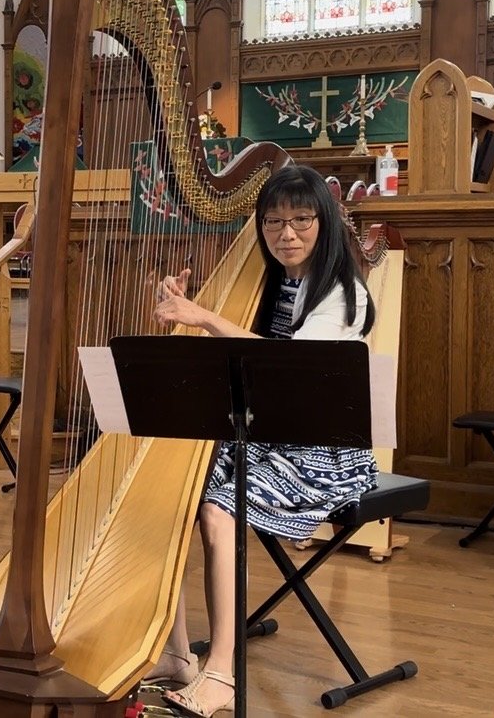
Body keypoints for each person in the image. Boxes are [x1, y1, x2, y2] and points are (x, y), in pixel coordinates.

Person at [148, 164, 378, 717]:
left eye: (301, 219)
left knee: (218, 508)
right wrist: (190, 308)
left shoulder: (346, 297)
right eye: (273, 221)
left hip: (324, 452)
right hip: (263, 437)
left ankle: (222, 672)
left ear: (325, 222)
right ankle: (178, 655)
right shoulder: (270, 281)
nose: (287, 233)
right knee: (171, 489)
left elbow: (286, 366)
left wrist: (201, 316)